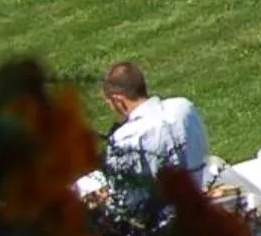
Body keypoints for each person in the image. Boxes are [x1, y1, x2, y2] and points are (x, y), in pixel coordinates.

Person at [88, 62, 210, 196]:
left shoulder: (126, 138)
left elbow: (126, 197)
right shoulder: (184, 106)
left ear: (118, 100)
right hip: (203, 193)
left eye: (109, 103)